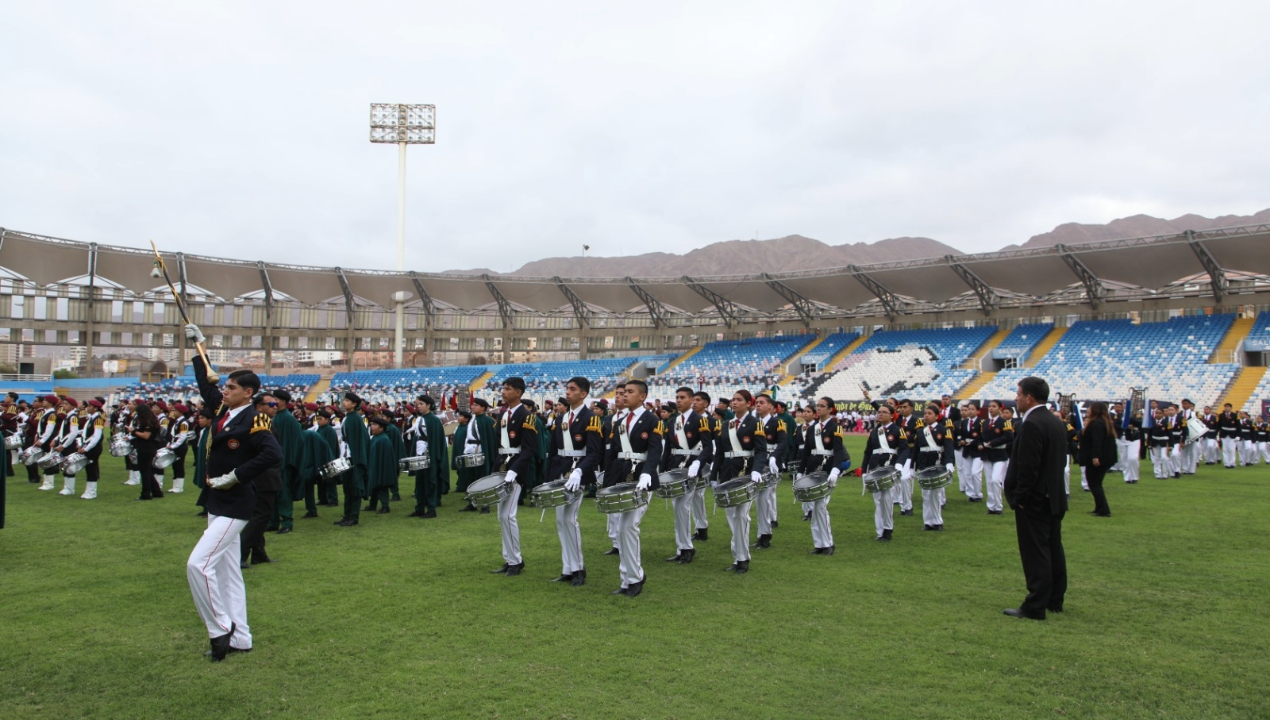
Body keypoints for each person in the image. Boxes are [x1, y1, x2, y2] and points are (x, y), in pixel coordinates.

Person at [183, 340, 282, 661]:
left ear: (248, 393)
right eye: (224, 386)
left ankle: (219, 629)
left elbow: (272, 453)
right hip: (217, 502)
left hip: (236, 503)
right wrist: (198, 349)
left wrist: (236, 475)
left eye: (231, 387)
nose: (223, 391)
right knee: (229, 575)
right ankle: (241, 638)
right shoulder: (223, 411)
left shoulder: (256, 419)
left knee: (198, 565)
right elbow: (205, 382)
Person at [1002, 376, 1068, 621]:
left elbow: (1028, 466)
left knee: (1035, 550)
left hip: (1036, 499)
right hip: (1054, 495)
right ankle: (1054, 598)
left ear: (1029, 397)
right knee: (1053, 546)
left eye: (1018, 394)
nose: (1016, 398)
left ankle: (1035, 604)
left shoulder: (1032, 424)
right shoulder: (1054, 421)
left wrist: (1021, 497)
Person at [602, 379, 663, 595]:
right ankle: (627, 579)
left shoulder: (652, 420)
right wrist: (606, 483)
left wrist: (647, 473)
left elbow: (655, 450)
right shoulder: (619, 422)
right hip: (621, 479)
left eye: (630, 392)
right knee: (621, 529)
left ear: (642, 396)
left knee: (629, 527)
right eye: (623, 392)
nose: (624, 395)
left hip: (641, 480)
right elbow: (611, 455)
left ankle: (635, 578)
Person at [546, 377, 603, 586]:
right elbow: (553, 451)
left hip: (576, 472)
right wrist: (549, 477)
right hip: (560, 471)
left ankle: (579, 568)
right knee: (561, 521)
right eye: (567, 388)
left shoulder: (591, 418)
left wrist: (579, 471)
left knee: (570, 520)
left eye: (572, 389)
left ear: (584, 394)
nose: (567, 392)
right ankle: (567, 567)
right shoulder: (562, 417)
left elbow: (594, 453)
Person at [710, 390, 766, 574]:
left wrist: (757, 470)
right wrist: (713, 476)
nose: (734, 403)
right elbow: (719, 452)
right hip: (727, 473)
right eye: (733, 400)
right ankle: (737, 556)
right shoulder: (725, 425)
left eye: (739, 400)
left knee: (742, 516)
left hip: (747, 472)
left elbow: (761, 450)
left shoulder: (755, 423)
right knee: (731, 516)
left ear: (748, 404)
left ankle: (742, 558)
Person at [660, 386, 714, 564]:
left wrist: (698, 463)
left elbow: (707, 447)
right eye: (677, 397)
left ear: (691, 400)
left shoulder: (700, 420)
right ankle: (682, 547)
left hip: (690, 467)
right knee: (678, 508)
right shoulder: (673, 421)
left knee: (682, 507)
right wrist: (663, 470)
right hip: (675, 467)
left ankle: (686, 548)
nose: (678, 400)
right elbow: (668, 448)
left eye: (682, 397)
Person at [490, 377, 537, 577]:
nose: (503, 392)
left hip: (515, 469)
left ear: (518, 392)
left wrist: (514, 470)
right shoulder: (503, 414)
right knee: (502, 515)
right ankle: (509, 558)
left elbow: (528, 449)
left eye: (507, 389)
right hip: (502, 465)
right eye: (503, 388)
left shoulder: (526, 416)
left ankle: (516, 560)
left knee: (508, 515)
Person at [796, 395, 849, 554]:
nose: (818, 408)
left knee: (820, 508)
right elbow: (806, 452)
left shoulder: (835, 427)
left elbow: (838, 451)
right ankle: (819, 543)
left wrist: (835, 470)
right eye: (817, 406)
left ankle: (828, 544)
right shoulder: (812, 428)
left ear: (830, 409)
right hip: (813, 471)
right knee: (815, 506)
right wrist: (800, 471)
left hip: (827, 470)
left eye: (822, 406)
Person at [240, 394, 282, 566]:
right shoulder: (260, 423)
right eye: (271, 404)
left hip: (262, 475)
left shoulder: (261, 422)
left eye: (276, 404)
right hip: (263, 476)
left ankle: (258, 553)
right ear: (258, 406)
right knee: (261, 515)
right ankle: (241, 553)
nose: (275, 407)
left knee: (260, 515)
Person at [861, 404, 909, 541]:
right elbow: (868, 452)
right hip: (875, 466)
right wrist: (865, 470)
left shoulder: (898, 430)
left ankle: (887, 528)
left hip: (890, 466)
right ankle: (880, 530)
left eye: (884, 412)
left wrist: (899, 464)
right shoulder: (875, 431)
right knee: (877, 499)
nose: (880, 414)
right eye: (879, 412)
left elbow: (905, 449)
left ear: (891, 415)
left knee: (887, 498)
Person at [752, 394, 786, 551]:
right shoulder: (753, 423)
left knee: (764, 499)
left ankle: (765, 534)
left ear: (771, 407)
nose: (758, 405)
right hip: (756, 463)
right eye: (756, 403)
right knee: (758, 500)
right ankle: (762, 532)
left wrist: (774, 458)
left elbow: (782, 443)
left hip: (769, 464)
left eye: (762, 403)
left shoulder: (777, 422)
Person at [267, 391, 304, 533]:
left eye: (276, 399)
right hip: (275, 461)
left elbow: (295, 442)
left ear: (282, 402)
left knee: (283, 493)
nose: (273, 402)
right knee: (274, 492)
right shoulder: (277, 417)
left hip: (284, 462)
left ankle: (287, 522)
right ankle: (273, 521)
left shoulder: (287, 419)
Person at [406, 395, 449, 519]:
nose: (418, 406)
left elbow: (435, 439)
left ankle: (431, 509)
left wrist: (431, 454)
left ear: (428, 405)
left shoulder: (433, 420)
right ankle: (419, 508)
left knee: (430, 481)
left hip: (428, 455)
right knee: (419, 481)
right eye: (417, 404)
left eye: (421, 404)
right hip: (420, 453)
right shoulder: (420, 419)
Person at [915, 403, 955, 531]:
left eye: (929, 413)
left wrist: (949, 463)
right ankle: (928, 521)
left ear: (937, 416)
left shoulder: (944, 430)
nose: (926, 416)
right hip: (924, 465)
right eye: (925, 414)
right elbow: (916, 451)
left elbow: (948, 449)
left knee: (936, 494)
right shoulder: (921, 431)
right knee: (926, 495)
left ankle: (937, 521)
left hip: (937, 465)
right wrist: (912, 466)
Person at [336, 393, 370, 526]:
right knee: (347, 488)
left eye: (347, 401)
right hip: (347, 456)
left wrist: (357, 459)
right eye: (343, 400)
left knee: (354, 487)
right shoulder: (348, 418)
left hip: (353, 458)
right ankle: (347, 515)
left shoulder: (355, 418)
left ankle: (353, 517)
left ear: (354, 404)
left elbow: (359, 441)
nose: (344, 403)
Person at [1079, 401, 1115, 517]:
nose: (1088, 410)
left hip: (1098, 458)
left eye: (1090, 408)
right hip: (1104, 457)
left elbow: (1097, 441)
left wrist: (1095, 456)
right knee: (1095, 483)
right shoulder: (1104, 422)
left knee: (1094, 483)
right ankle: (1099, 507)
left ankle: (1104, 509)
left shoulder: (1096, 424)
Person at [978, 400, 1013, 515]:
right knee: (989, 481)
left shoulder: (1005, 422)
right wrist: (980, 444)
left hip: (999, 454)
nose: (991, 408)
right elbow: (982, 437)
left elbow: (1009, 437)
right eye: (990, 406)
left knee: (995, 479)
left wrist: (993, 443)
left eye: (994, 406)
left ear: (1000, 409)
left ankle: (998, 506)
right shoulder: (985, 422)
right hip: (987, 454)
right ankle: (991, 506)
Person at [131, 402, 164, 500]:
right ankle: (156, 491)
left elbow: (146, 436)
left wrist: (134, 432)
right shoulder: (151, 420)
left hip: (145, 448)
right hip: (149, 447)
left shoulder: (147, 422)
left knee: (144, 472)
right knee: (148, 471)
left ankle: (145, 494)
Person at [366, 417, 398, 513]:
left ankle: (385, 506)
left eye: (375, 425)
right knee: (374, 485)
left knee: (382, 485)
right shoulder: (375, 438)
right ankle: (372, 504)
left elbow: (386, 457)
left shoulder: (384, 439)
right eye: (372, 424)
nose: (372, 427)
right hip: (374, 465)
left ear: (381, 428)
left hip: (382, 467)